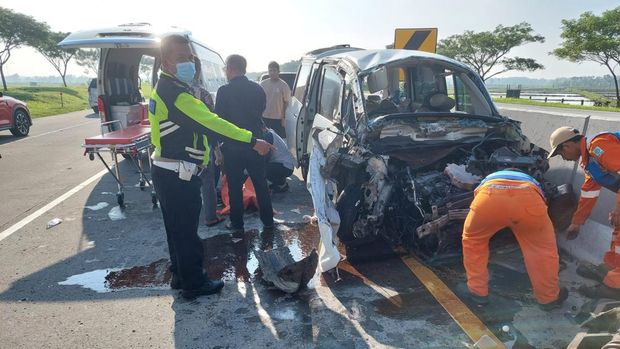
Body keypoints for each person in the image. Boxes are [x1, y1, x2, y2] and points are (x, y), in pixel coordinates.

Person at [149, 35, 272, 300]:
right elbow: (215, 123)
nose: (189, 63)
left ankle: (180, 277)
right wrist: (253, 140)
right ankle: (194, 282)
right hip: (177, 174)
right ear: (166, 61)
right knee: (186, 232)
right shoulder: (178, 96)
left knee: (176, 230)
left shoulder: (162, 87)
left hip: (166, 169)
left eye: (190, 58)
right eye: (181, 58)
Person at [462, 169, 568, 311]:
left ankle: (478, 295)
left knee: (473, 242)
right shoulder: (530, 181)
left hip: (488, 198)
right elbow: (544, 200)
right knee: (543, 251)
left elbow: (476, 195)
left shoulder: (490, 177)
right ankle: (548, 299)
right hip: (528, 199)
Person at [548, 126, 620, 299]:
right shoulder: (589, 161)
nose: (564, 159)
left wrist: (618, 207)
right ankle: (612, 266)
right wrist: (576, 223)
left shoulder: (599, 145)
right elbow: (589, 192)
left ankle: (613, 288)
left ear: (566, 146)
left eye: (561, 154)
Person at [215, 54, 275, 234]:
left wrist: (218, 146)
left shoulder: (224, 91)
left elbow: (219, 119)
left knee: (234, 185)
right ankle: (268, 221)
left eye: (226, 68)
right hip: (256, 143)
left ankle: (237, 223)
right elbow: (261, 111)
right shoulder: (257, 89)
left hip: (232, 146)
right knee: (260, 183)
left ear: (231, 68)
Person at [190, 58, 223, 227]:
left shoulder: (169, 93)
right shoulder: (202, 93)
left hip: (178, 147)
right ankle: (210, 217)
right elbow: (212, 124)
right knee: (207, 181)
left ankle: (189, 217)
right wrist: (216, 148)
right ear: (198, 70)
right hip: (202, 145)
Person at [259, 61, 291, 138]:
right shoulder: (262, 84)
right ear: (268, 71)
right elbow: (258, 100)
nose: (272, 72)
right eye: (270, 70)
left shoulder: (284, 85)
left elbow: (286, 103)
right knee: (264, 139)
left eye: (274, 70)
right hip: (264, 117)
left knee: (277, 141)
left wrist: (283, 118)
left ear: (278, 71)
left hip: (278, 119)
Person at [265, 128, 294, 193]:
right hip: (286, 165)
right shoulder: (270, 132)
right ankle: (281, 182)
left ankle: (281, 184)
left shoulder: (267, 136)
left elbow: (265, 157)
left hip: (284, 166)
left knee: (261, 168)